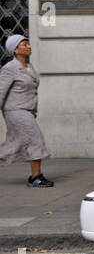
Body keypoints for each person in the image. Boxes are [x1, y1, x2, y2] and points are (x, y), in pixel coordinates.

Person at [0, 35, 53, 187]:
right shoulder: (9, 68)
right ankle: (36, 178)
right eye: (24, 44)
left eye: (28, 43)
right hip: (15, 111)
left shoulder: (29, 67)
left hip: (27, 110)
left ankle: (36, 177)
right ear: (15, 50)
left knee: (15, 144)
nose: (28, 46)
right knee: (36, 140)